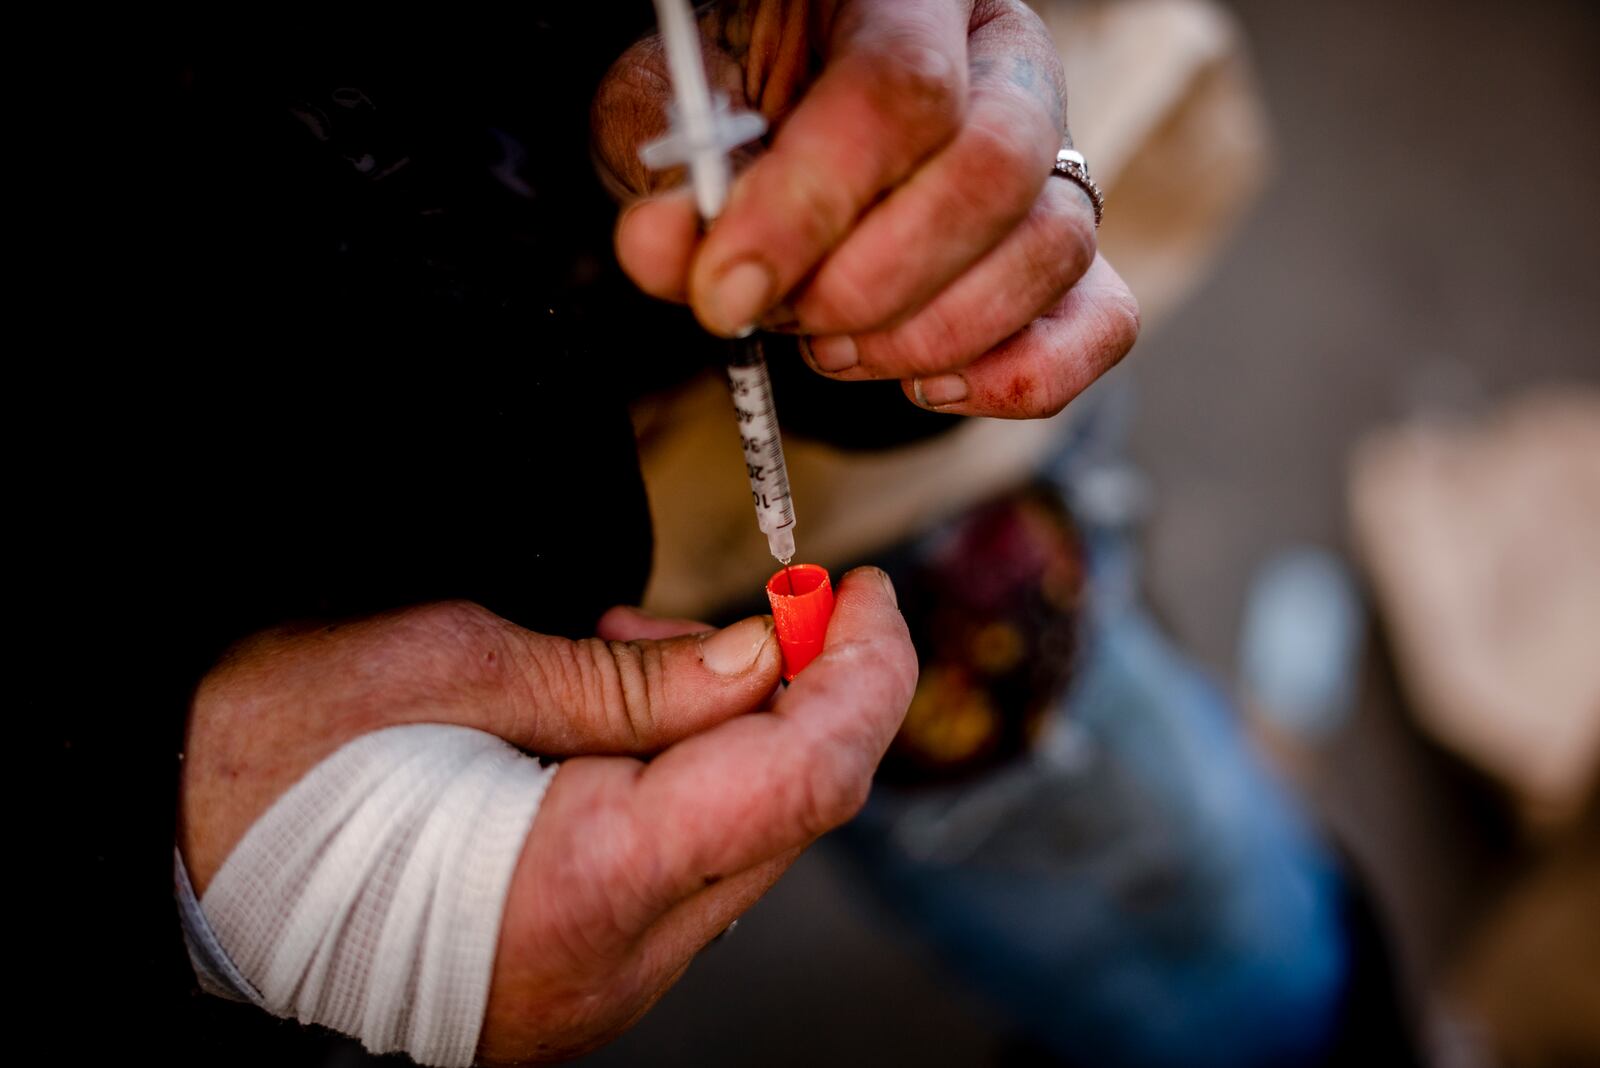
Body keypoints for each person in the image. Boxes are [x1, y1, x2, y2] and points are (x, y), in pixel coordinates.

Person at [42, 3, 1137, 1065]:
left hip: (684, 416)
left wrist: (868, 157)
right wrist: (144, 823)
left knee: (1134, 861)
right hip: (309, 742)